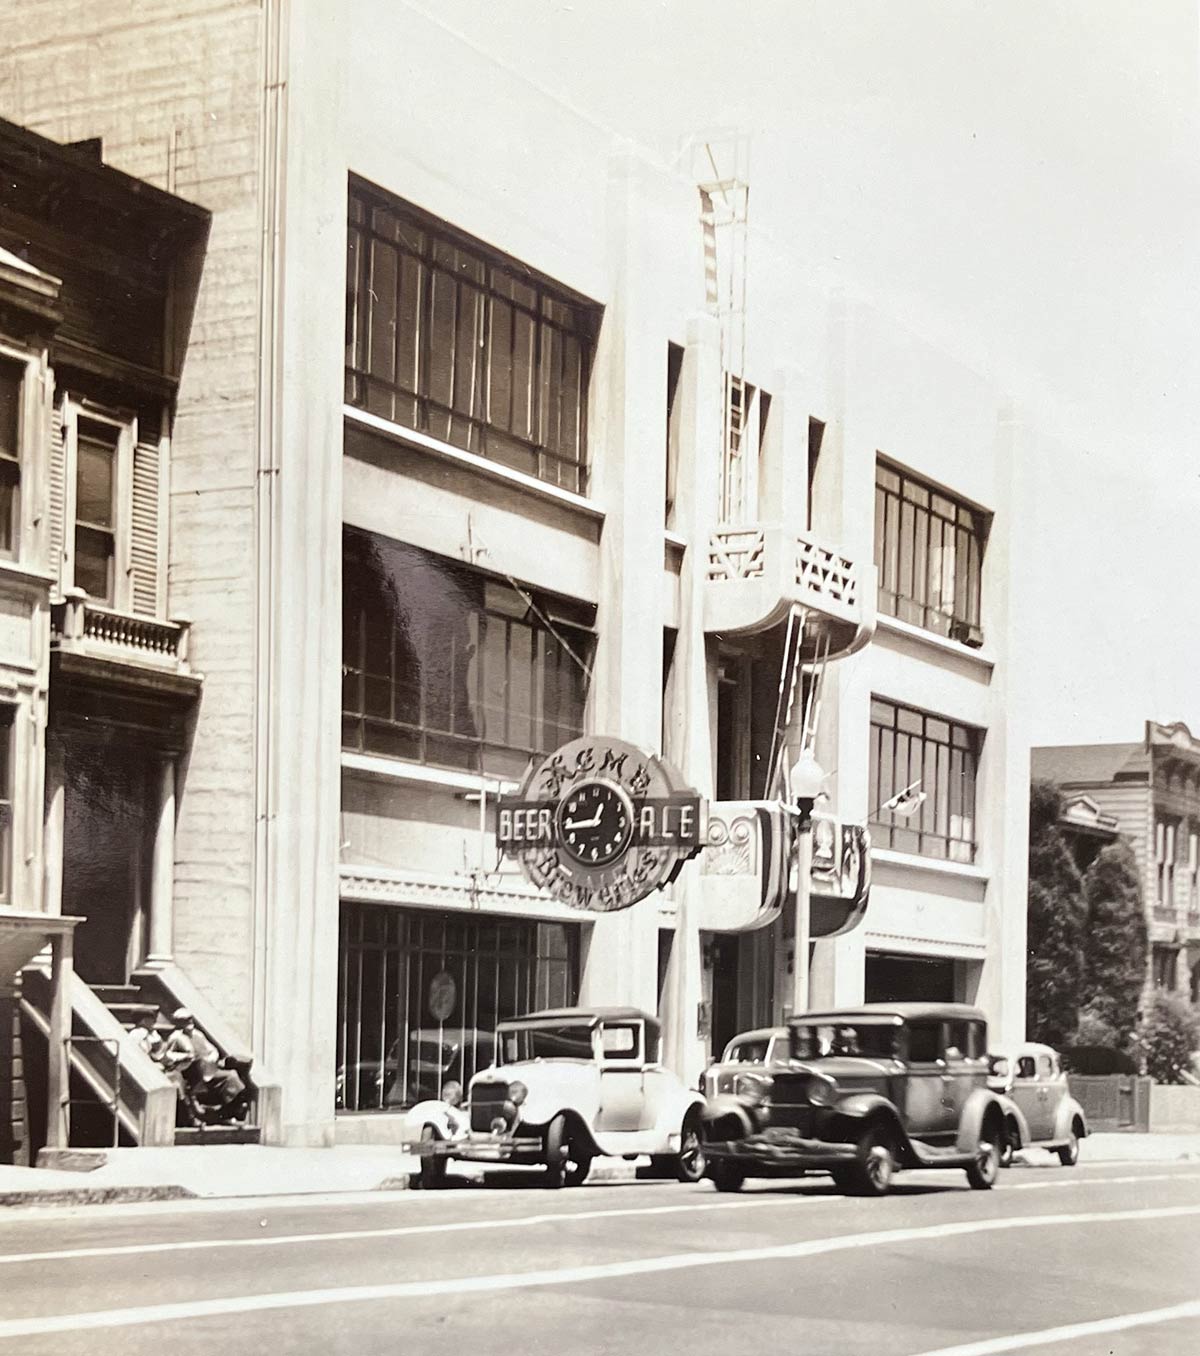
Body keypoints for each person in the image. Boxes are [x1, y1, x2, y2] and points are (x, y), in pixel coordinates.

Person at [161, 1008, 249, 1125]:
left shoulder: (198, 1034)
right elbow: (168, 1055)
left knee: (231, 1076)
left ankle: (228, 1112)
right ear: (179, 1023)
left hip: (208, 1069)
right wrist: (185, 1056)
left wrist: (212, 1056)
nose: (189, 1022)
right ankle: (195, 1112)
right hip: (189, 1071)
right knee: (197, 1072)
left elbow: (212, 1049)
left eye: (190, 1019)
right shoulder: (176, 1037)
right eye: (185, 1020)